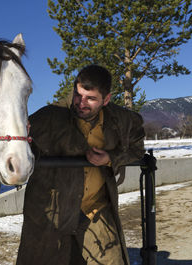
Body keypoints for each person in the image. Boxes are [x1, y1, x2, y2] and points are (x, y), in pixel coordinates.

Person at [16, 65, 145, 265]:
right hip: (53, 212)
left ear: (106, 100)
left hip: (95, 209)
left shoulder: (121, 120)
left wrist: (110, 158)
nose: (81, 103)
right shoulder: (49, 117)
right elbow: (14, 144)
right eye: (78, 95)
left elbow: (137, 149)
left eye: (91, 99)